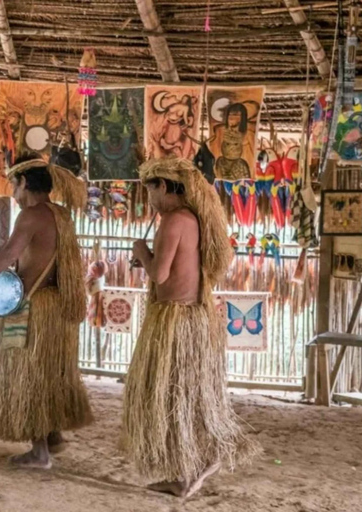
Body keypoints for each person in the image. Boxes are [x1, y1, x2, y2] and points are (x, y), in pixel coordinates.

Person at [122, 157, 260, 498]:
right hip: (190, 318)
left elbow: (160, 275)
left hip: (175, 320)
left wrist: (142, 251)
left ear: (165, 187)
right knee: (183, 396)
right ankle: (185, 471)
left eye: (151, 190)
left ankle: (195, 465)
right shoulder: (191, 219)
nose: (149, 200)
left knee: (173, 396)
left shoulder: (173, 220)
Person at [0, 157, 92, 470]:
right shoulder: (60, 214)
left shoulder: (31, 214)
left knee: (31, 376)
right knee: (50, 373)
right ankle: (53, 437)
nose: (12, 191)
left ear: (23, 182)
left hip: (34, 307)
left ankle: (39, 453)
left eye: (13, 184)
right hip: (55, 305)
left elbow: (8, 256)